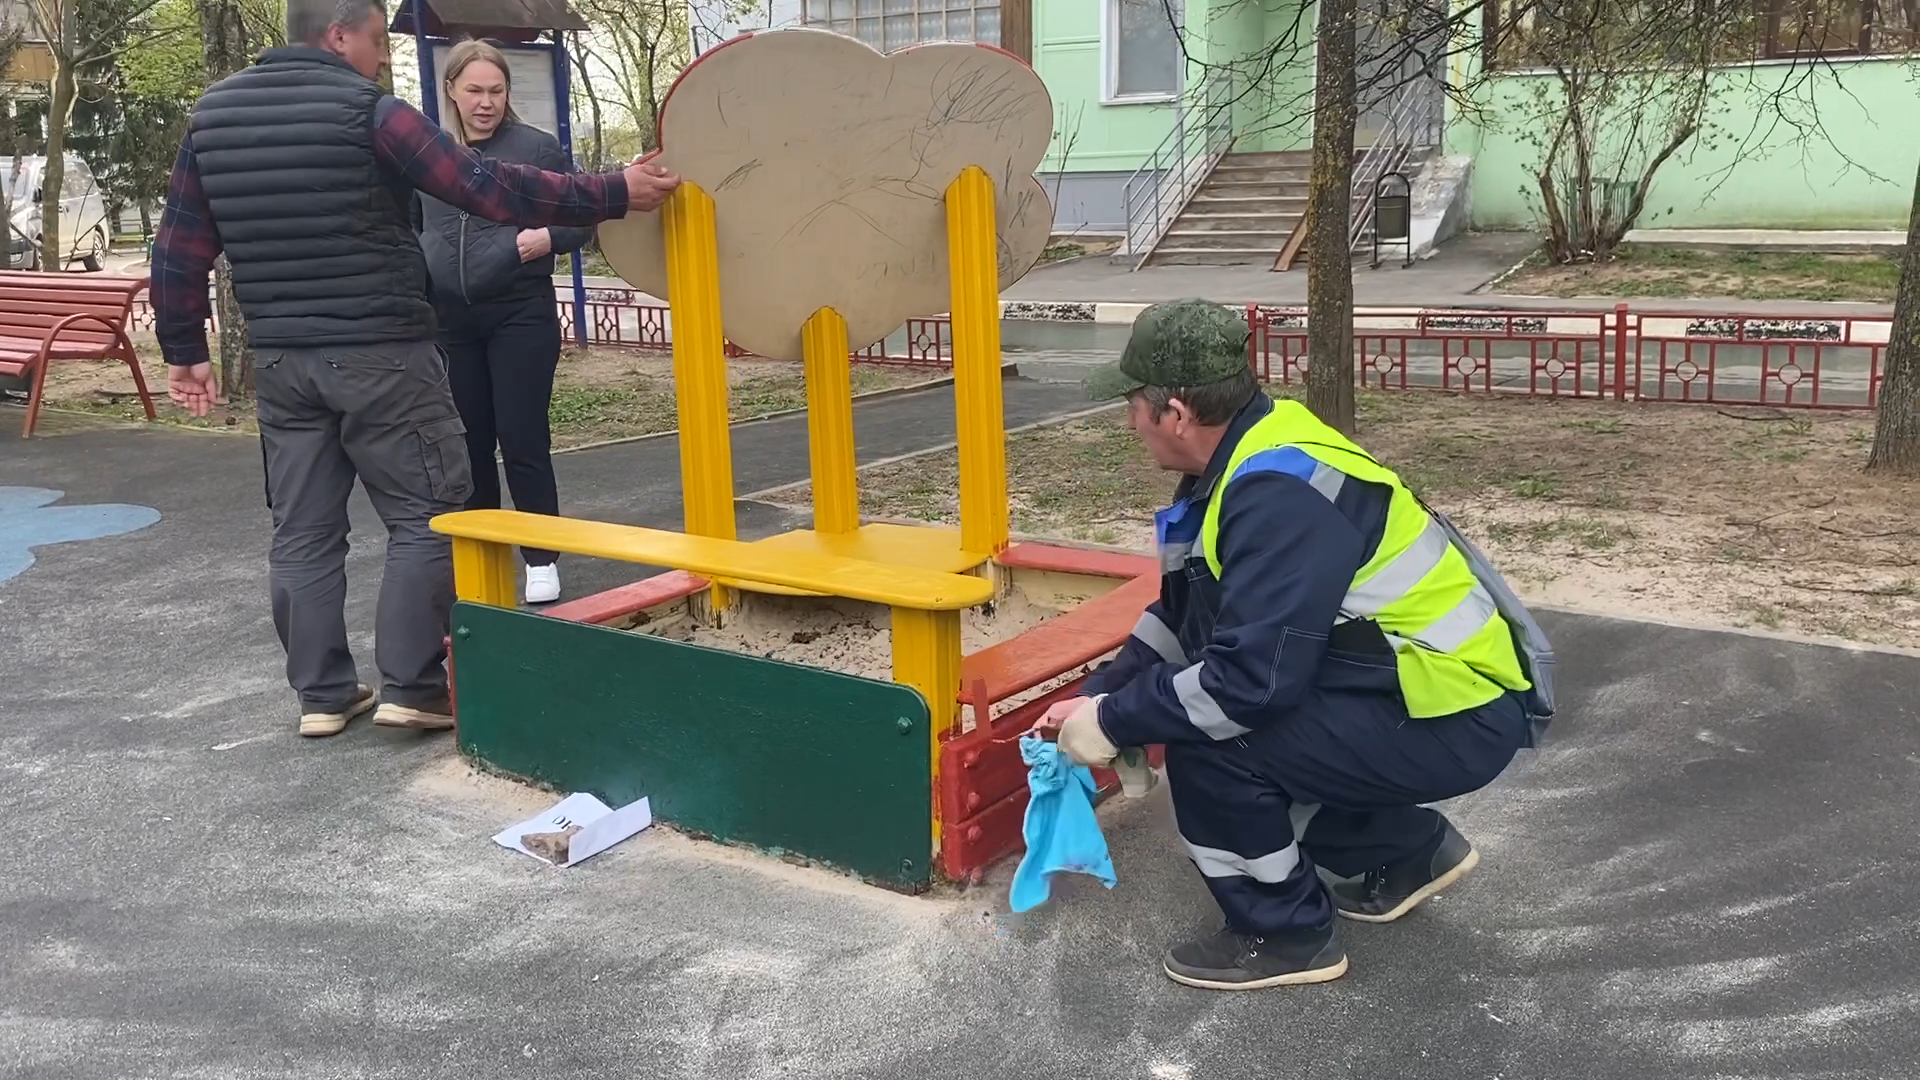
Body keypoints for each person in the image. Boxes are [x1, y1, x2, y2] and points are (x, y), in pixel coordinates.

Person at [152, 0, 679, 739]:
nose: (383, 58)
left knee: (302, 531)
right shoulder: (369, 110)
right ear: (339, 34)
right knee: (428, 514)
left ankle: (325, 695)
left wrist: (184, 351)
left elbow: (179, 242)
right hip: (381, 353)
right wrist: (615, 191)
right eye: (375, 41)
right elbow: (488, 189)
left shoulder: (212, 116)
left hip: (282, 362)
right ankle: (411, 684)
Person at [1038, 299, 1539, 992]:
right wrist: (1102, 695)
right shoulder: (1250, 453)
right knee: (1255, 728)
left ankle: (1283, 934)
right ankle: (1408, 854)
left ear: (1176, 412)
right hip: (1432, 689)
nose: (1130, 423)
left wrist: (1120, 721)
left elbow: (1244, 686)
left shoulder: (1276, 495)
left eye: (1134, 406)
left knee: (1217, 745)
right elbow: (1185, 616)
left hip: (1456, 710)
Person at [416, 40, 582, 605]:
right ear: (452, 91)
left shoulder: (535, 149)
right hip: (451, 323)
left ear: (508, 93)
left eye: (496, 91)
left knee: (522, 437)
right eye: (474, 91)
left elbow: (582, 222)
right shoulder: (427, 154)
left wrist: (547, 237)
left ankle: (540, 556)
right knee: (470, 444)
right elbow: (408, 229)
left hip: (519, 315)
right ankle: (485, 556)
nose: (485, 103)